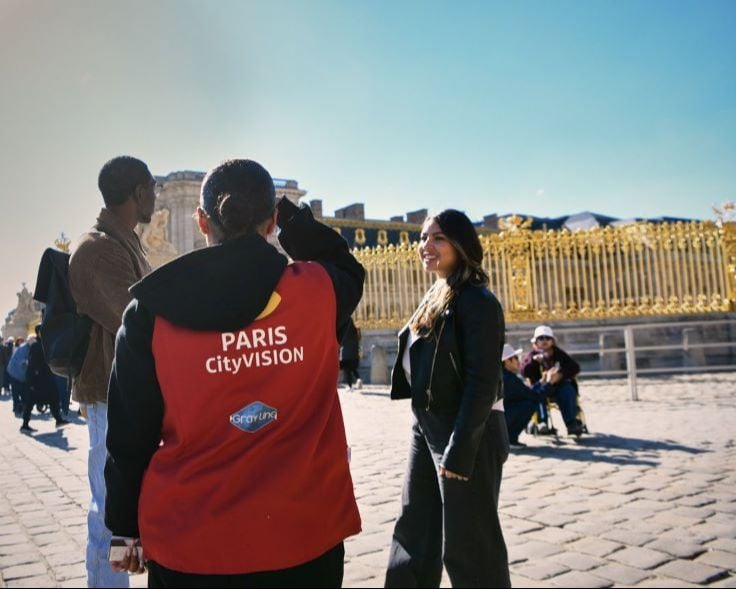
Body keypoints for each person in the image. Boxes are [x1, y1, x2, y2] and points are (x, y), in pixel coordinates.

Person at [104, 159, 364, 587]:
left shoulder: (150, 312)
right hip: (304, 536)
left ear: (202, 221)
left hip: (191, 542)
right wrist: (291, 219)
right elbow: (345, 263)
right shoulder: (321, 290)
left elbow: (130, 434)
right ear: (273, 220)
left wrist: (124, 526)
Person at [384, 210, 510, 588]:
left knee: (470, 543)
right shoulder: (438, 293)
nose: (426, 246)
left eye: (437, 238)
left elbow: (482, 382)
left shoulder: (478, 302)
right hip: (427, 423)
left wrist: (460, 449)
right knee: (414, 530)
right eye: (423, 237)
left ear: (461, 244)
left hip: (468, 429)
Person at [69, 155, 154, 588]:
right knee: (109, 508)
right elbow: (136, 320)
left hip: (124, 394)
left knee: (124, 504)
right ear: (138, 193)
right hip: (108, 394)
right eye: (152, 188)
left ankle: (120, 575)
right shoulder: (100, 248)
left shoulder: (124, 241)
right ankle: (106, 584)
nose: (155, 196)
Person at [521, 325, 584, 436]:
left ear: (552, 341)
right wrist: (534, 362)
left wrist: (560, 374)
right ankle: (542, 423)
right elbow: (524, 371)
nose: (544, 341)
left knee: (568, 390)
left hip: (558, 387)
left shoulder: (559, 354)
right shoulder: (531, 356)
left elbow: (575, 367)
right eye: (541, 338)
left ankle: (571, 423)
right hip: (541, 386)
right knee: (537, 394)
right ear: (536, 342)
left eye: (547, 338)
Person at [501, 343, 561, 447]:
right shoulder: (509, 379)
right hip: (501, 419)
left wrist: (541, 383)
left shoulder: (505, 376)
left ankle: (509, 438)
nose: (518, 361)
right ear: (507, 361)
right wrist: (550, 383)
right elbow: (534, 396)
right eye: (515, 358)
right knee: (529, 404)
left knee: (527, 402)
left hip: (498, 418)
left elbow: (526, 392)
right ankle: (510, 438)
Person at [22, 326, 70, 432]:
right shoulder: (35, 346)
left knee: (54, 398)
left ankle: (58, 419)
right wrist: (32, 382)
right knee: (30, 402)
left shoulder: (46, 344)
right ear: (38, 333)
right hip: (37, 380)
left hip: (47, 379)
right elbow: (32, 365)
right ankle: (24, 425)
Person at [7, 337, 28, 416]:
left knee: (21, 392)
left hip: (18, 373)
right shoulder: (20, 349)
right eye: (20, 341)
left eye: (22, 341)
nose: (21, 342)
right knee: (16, 392)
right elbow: (20, 362)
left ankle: (21, 406)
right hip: (15, 373)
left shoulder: (22, 348)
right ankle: (16, 407)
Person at [339, 317, 362, 389]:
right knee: (353, 369)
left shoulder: (345, 330)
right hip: (354, 353)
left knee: (347, 370)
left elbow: (341, 340)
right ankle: (358, 379)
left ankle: (350, 386)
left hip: (346, 353)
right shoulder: (355, 330)